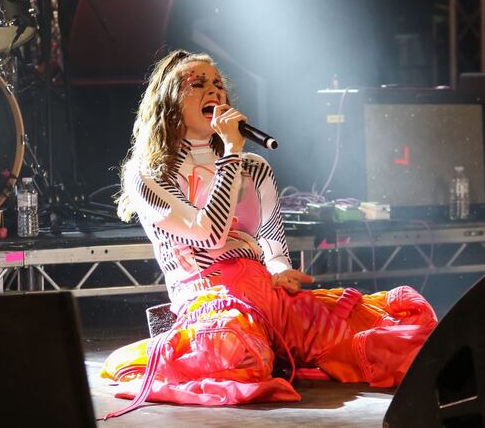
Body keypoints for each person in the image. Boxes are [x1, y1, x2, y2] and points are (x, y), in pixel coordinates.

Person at [101, 50, 437, 417]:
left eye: (218, 84)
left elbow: (272, 241)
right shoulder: (148, 173)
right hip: (209, 301)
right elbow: (208, 234)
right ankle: (228, 350)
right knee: (237, 352)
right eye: (197, 84)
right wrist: (230, 152)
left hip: (267, 297)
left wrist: (279, 271)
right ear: (168, 102)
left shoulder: (254, 168)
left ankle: (281, 345)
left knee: (398, 337)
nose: (213, 91)